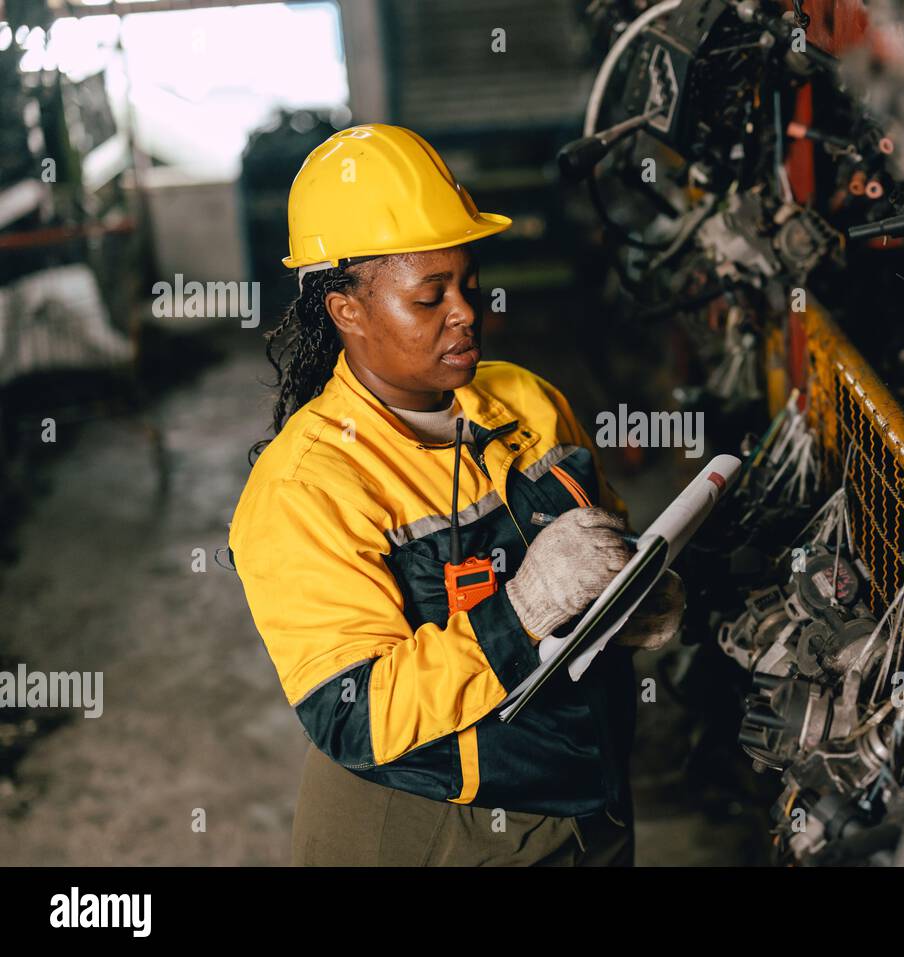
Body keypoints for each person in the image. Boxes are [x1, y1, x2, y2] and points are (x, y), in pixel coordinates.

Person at [229, 124, 684, 866]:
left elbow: (607, 544)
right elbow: (358, 714)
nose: (466, 312)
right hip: (432, 826)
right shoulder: (308, 484)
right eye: (428, 296)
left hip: (584, 794)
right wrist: (521, 612)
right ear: (347, 310)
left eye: (467, 283)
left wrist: (636, 593)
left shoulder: (527, 402)